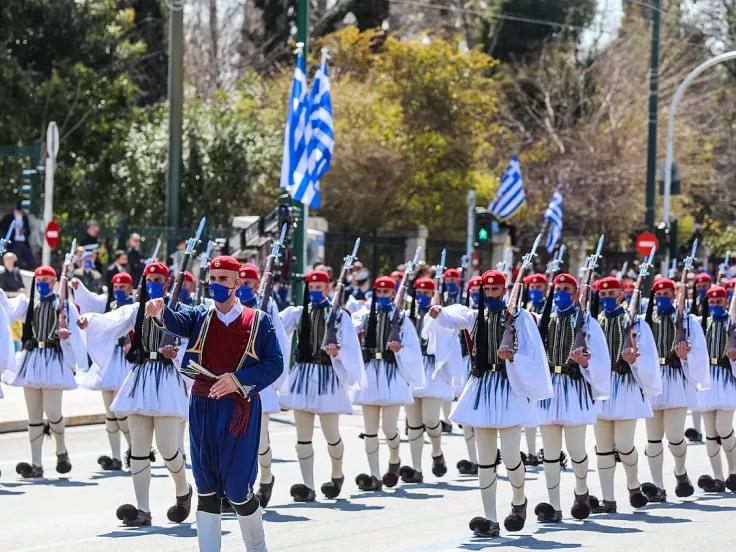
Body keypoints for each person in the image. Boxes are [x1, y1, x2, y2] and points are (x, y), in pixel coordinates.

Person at [149, 255, 283, 552]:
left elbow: (275, 364)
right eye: (212, 278)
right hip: (203, 404)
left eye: (223, 279)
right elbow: (176, 320)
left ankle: (256, 547)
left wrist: (237, 380)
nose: (217, 284)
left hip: (240, 409)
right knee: (206, 487)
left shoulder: (258, 320)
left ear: (237, 282)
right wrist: (159, 312)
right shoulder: (200, 315)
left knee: (237, 489)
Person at [430, 270, 553, 538]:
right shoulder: (476, 316)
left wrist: (514, 356)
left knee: (510, 456)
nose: (490, 294)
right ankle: (490, 520)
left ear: (505, 290)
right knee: (486, 460)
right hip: (482, 388)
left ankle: (519, 501)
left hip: (509, 389)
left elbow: (533, 354)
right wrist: (438, 311)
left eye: (495, 290)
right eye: (486, 290)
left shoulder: (520, 319)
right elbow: (453, 316)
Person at [78, 262, 192, 527]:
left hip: (166, 379)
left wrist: (177, 354)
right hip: (140, 377)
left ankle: (183, 491)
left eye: (158, 278)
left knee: (166, 447)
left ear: (167, 282)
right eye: (149, 278)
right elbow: (110, 321)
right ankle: (143, 509)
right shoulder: (135, 310)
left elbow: (192, 343)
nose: (153, 282)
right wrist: (90, 321)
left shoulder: (179, 311)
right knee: (138, 450)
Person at [279, 269, 365, 502]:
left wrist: (337, 352)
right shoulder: (298, 312)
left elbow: (350, 346)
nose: (316, 292)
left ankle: (337, 476)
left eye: (320, 288)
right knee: (302, 437)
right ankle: (308, 486)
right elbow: (276, 328)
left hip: (328, 376)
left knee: (331, 434)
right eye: (312, 288)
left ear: (328, 289)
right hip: (303, 374)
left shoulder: (338, 315)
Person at [535, 273, 611, 523]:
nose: (561, 293)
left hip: (574, 387)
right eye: (558, 288)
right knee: (550, 453)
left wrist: (587, 362)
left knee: (576, 449)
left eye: (567, 289)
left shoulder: (587, 321)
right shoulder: (544, 319)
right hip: (549, 389)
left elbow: (602, 357)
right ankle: (554, 506)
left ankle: (581, 492)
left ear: (576, 293)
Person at [3, 265, 87, 478]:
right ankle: (36, 464)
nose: (40, 284)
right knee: (33, 416)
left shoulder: (64, 306)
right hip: (32, 360)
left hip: (52, 360)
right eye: (38, 280)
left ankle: (61, 451)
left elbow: (76, 336)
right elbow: (7, 311)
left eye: (45, 280)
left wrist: (67, 341)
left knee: (52, 412)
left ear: (53, 282)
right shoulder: (29, 304)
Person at [589, 277, 661, 513]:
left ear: (622, 294)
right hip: (601, 385)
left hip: (625, 385)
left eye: (613, 292)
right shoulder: (592, 322)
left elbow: (649, 357)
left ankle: (633, 485)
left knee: (624, 444)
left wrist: (634, 361)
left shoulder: (636, 323)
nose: (608, 296)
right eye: (604, 292)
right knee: (603, 447)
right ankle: (608, 499)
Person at [351, 276, 423, 491]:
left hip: (391, 373)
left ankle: (394, 459)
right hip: (371, 371)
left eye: (386, 292)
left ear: (393, 294)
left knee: (389, 429)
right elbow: (350, 328)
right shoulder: (364, 314)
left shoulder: (400, 318)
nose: (382, 296)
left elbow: (413, 347)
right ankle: (374, 475)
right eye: (379, 292)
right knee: (370, 430)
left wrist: (400, 350)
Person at [642, 277, 709, 503]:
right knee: (652, 439)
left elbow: (700, 353)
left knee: (674, 437)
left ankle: (680, 472)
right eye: (658, 295)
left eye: (666, 295)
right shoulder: (645, 322)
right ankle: (657, 487)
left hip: (675, 378)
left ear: (674, 296)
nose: (661, 299)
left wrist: (685, 356)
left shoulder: (688, 322)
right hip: (653, 380)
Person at [234, 263, 290, 508]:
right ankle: (239, 489)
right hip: (232, 380)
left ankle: (265, 478)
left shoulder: (267, 307)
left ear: (257, 285)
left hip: (259, 380)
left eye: (249, 283)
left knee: (259, 441)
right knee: (233, 439)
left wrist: (276, 383)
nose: (244, 288)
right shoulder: (228, 308)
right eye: (241, 283)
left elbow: (281, 346)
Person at [75, 272, 135, 471]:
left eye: (122, 287)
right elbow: (90, 307)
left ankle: (135, 451)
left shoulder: (135, 306)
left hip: (124, 359)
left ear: (129, 288)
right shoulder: (108, 304)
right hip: (108, 359)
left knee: (120, 412)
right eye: (116, 287)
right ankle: (116, 457)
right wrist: (78, 286)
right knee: (109, 413)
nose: (118, 290)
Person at [400, 277, 458, 484]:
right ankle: (416, 469)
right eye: (420, 292)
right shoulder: (406, 316)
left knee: (431, 420)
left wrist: (436, 319)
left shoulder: (443, 316)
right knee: (413, 423)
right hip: (413, 368)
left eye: (427, 293)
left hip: (433, 370)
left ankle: (436, 452)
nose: (423, 296)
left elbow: (448, 341)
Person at [694, 285, 736, 493]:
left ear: (726, 303)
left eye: (719, 302)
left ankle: (734, 472)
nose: (715, 306)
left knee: (724, 430)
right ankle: (718, 477)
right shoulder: (703, 324)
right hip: (707, 378)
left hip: (726, 378)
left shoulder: (733, 324)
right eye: (712, 302)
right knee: (710, 434)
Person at [0, 203, 35, 269]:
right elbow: (2, 226)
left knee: (31, 261)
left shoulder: (24, 218)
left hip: (23, 242)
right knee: (17, 261)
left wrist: (24, 231)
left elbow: (28, 230)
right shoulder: (9, 217)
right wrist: (12, 227)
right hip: (14, 243)